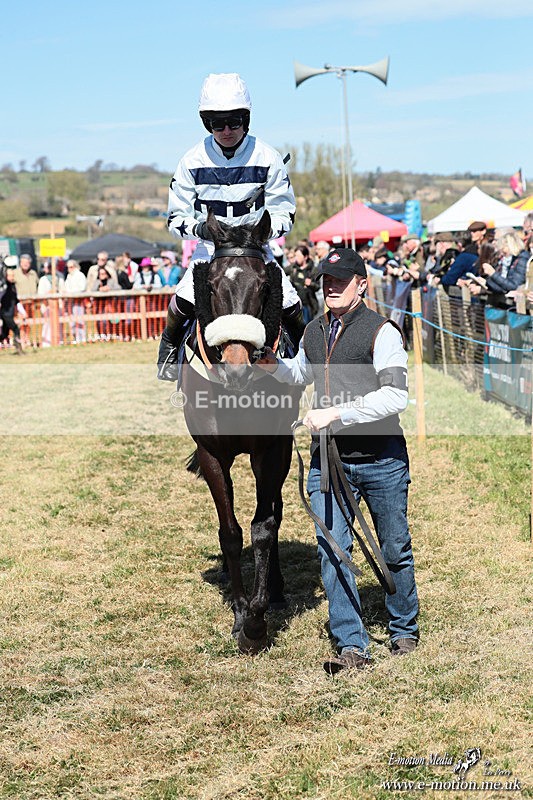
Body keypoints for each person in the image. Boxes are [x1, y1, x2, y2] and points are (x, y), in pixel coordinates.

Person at [258, 248, 419, 673]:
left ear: (361, 284)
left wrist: (337, 413)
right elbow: (301, 373)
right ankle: (352, 644)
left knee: (394, 548)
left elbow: (395, 395)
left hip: (381, 459)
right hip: (328, 462)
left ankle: (404, 628)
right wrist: (274, 365)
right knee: (333, 550)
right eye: (325, 279)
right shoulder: (314, 330)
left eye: (340, 279)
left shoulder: (382, 332)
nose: (330, 286)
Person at [157, 72, 302, 380]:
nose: (225, 130)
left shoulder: (268, 156)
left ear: (245, 120)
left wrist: (262, 232)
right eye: (216, 124)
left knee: (291, 300)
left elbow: (285, 211)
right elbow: (175, 218)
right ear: (206, 124)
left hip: (255, 246)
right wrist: (200, 230)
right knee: (183, 297)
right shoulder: (191, 161)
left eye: (233, 122)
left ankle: (308, 357)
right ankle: (169, 349)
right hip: (211, 247)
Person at [0, 263, 26, 353]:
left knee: (4, 334)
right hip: (5, 313)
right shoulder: (5, 286)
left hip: (10, 313)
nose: (12, 277)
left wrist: (22, 311)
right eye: (9, 275)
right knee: (16, 329)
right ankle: (19, 349)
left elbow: (16, 301)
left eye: (12, 275)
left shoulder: (13, 286)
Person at [290, 246, 320, 323]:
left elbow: (318, 286)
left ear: (305, 257)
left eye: (298, 256)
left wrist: (311, 284)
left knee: (307, 326)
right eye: (295, 256)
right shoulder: (293, 268)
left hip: (308, 305)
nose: (296, 258)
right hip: (296, 304)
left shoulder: (313, 269)